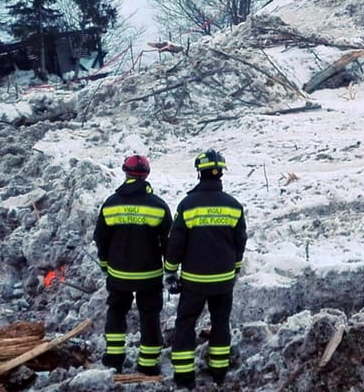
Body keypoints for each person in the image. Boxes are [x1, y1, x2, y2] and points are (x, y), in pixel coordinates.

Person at [165, 150, 248, 388]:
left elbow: (176, 243)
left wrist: (170, 271)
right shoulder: (233, 205)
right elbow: (240, 241)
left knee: (185, 324)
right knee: (221, 323)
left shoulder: (188, 204)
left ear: (199, 172)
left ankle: (184, 376)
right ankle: (219, 372)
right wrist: (235, 268)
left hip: (194, 280)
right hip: (223, 280)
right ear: (221, 172)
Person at [93, 154, 172, 375]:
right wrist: (170, 269)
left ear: (125, 173)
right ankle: (148, 365)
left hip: (118, 274)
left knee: (116, 312)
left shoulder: (111, 204)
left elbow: (101, 237)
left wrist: (105, 263)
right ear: (146, 174)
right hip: (149, 275)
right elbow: (169, 242)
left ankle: (114, 359)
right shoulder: (157, 206)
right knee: (150, 316)